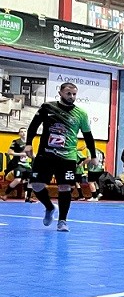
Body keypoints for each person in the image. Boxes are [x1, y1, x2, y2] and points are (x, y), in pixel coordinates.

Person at [24, 82, 97, 232]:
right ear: (61, 93)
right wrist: (28, 143)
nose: (71, 97)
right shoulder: (47, 107)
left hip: (67, 157)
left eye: (74, 94)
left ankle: (62, 221)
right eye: (68, 93)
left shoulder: (80, 114)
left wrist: (94, 155)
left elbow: (88, 136)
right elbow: (33, 126)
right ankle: (50, 207)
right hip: (45, 154)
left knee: (64, 187)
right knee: (36, 185)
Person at [2, 128, 29, 201]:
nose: (23, 133)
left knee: (29, 179)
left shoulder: (29, 142)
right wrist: (20, 154)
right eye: (21, 132)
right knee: (17, 179)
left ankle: (27, 197)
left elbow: (31, 154)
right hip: (17, 163)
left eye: (25, 131)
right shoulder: (16, 142)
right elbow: (9, 152)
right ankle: (5, 195)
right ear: (19, 133)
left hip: (26, 164)